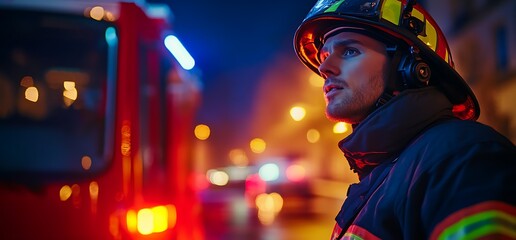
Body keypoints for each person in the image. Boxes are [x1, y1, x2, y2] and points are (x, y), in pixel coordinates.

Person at [293, 0, 516, 239]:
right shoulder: (383, 175)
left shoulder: (461, 157)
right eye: (324, 55)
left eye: (349, 51)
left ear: (409, 69)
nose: (324, 67)